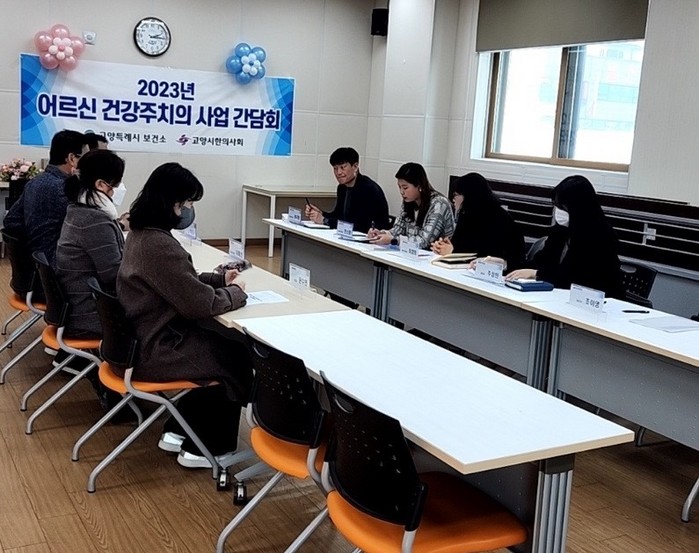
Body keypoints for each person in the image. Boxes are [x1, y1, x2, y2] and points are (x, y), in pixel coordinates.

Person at [117, 162, 252, 468]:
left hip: (140, 340)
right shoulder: (159, 245)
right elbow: (200, 305)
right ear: (173, 204)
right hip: (157, 348)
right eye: (188, 203)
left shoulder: (141, 234)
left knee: (218, 345)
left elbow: (176, 281)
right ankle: (207, 449)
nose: (190, 210)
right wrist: (236, 292)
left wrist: (218, 280)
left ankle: (179, 429)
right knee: (233, 354)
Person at [505, 175, 624, 297]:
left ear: (578, 208)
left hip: (598, 300)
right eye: (556, 205)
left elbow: (579, 278)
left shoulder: (600, 237)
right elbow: (539, 263)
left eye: (561, 206)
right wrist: (506, 264)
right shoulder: (560, 231)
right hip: (560, 296)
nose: (557, 211)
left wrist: (538, 274)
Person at [55, 149, 126, 338]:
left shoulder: (77, 209)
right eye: (116, 184)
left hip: (78, 306)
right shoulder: (95, 220)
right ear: (101, 184)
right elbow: (114, 275)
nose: (118, 189)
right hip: (92, 315)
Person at [3, 129, 87, 266]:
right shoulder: (64, 189)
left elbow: (11, 220)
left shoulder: (34, 182)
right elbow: (86, 228)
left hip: (39, 263)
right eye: (85, 159)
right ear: (72, 158)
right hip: (58, 263)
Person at [431, 172, 525, 271]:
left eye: (456, 195)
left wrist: (452, 252)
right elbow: (460, 245)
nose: (453, 199)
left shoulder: (498, 219)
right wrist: (443, 247)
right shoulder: (467, 215)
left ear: (468, 196)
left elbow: (485, 254)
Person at [369, 162, 455, 249]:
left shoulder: (439, 204)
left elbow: (424, 241)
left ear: (419, 186)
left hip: (435, 255)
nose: (401, 192)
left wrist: (394, 240)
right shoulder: (408, 201)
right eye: (399, 187)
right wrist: (381, 234)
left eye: (405, 188)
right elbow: (397, 230)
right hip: (411, 254)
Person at [305, 147, 389, 232]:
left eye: (343, 167)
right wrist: (321, 214)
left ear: (355, 167)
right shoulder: (342, 187)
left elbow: (357, 224)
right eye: (335, 168)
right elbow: (339, 216)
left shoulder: (368, 189)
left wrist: (324, 220)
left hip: (368, 236)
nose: (338, 172)